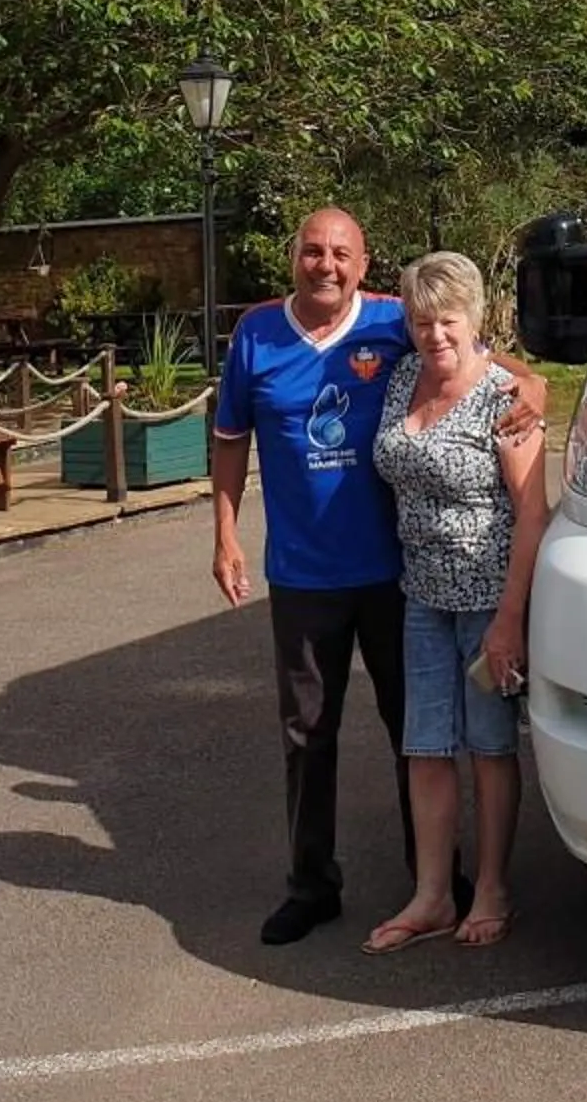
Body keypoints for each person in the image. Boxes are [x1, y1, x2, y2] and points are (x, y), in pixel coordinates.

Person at [209, 207, 547, 945]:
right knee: (308, 732)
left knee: (416, 732)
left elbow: (482, 356)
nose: (325, 265)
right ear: (293, 257)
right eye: (312, 252)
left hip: (395, 577)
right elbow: (229, 438)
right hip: (303, 573)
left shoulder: (397, 319)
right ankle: (311, 884)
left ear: (362, 264)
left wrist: (536, 388)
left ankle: (436, 880)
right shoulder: (256, 335)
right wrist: (226, 534)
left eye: (341, 254)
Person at [360, 250, 549, 953]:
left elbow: (533, 513)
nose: (433, 336)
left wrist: (510, 621)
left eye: (447, 321)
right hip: (422, 596)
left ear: (473, 321)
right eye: (421, 322)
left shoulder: (505, 395)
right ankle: (434, 894)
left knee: (490, 748)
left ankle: (493, 887)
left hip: (486, 599)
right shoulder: (405, 373)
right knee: (427, 747)